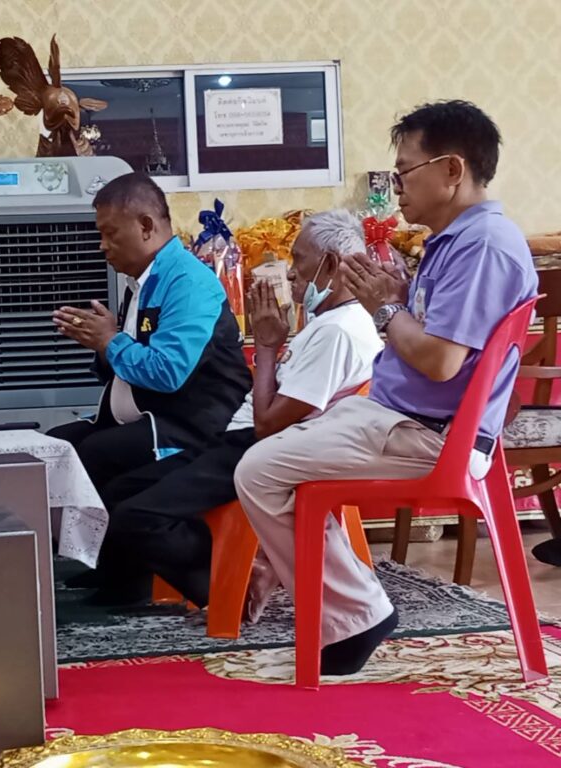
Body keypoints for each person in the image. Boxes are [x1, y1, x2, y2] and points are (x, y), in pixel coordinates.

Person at [234, 100, 538, 675]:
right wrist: (398, 299)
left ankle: (358, 613)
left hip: (427, 433)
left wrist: (386, 307)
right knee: (273, 458)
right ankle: (348, 608)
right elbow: (430, 338)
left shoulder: (483, 246)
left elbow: (440, 361)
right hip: (398, 416)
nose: (395, 187)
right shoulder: (458, 240)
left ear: (452, 169)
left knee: (257, 469)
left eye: (404, 172)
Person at [90, 209, 383, 607]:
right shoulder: (328, 321)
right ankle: (242, 560)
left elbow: (268, 425)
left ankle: (236, 582)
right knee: (121, 490)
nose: (290, 272)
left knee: (137, 516)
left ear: (330, 264)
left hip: (259, 449)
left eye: (298, 260)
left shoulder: (339, 331)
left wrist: (266, 347)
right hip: (237, 439)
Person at [48, 172, 251, 498]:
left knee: (97, 454)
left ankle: (102, 534)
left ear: (145, 226)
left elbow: (168, 372)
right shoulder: (140, 282)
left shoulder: (188, 282)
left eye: (110, 233)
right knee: (55, 446)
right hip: (147, 417)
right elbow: (129, 365)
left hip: (192, 426)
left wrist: (109, 341)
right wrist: (100, 344)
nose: (102, 246)